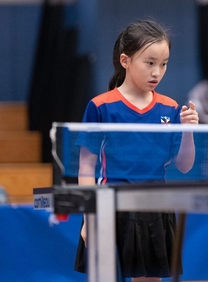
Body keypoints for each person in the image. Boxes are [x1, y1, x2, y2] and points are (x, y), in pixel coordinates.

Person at [73, 20, 199, 281]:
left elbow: (184, 165)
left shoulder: (170, 108)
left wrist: (188, 131)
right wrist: (89, 216)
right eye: (150, 62)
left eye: (164, 64)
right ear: (125, 60)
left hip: (157, 207)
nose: (157, 72)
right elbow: (86, 167)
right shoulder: (101, 106)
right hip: (114, 206)